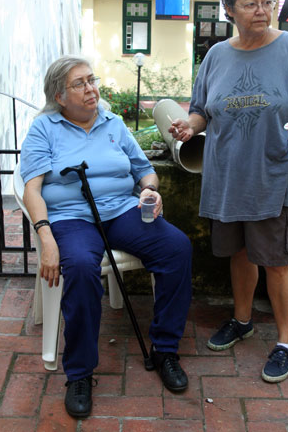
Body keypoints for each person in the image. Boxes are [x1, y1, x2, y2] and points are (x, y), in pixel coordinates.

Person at [169, 0, 288, 384]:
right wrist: (190, 126)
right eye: (250, 4)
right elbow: (202, 108)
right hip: (226, 178)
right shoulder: (217, 56)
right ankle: (242, 321)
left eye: (267, 2)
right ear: (229, 11)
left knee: (277, 261)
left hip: (274, 174)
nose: (261, 11)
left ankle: (284, 343)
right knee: (239, 255)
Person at [20, 55, 192, 418]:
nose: (91, 89)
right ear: (59, 95)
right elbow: (32, 190)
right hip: (71, 218)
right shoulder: (44, 129)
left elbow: (144, 170)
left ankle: (165, 349)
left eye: (92, 80)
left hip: (121, 210)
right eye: (79, 84)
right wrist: (46, 237)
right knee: (81, 269)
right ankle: (79, 373)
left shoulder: (114, 124)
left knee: (176, 248)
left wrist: (150, 191)